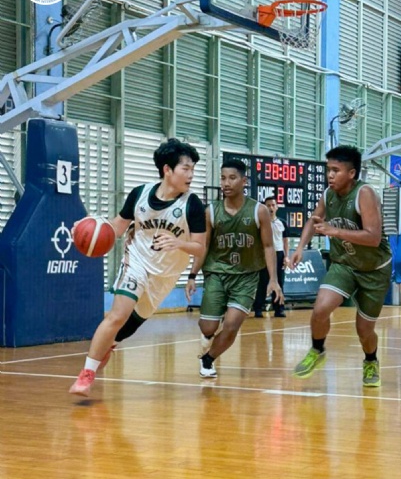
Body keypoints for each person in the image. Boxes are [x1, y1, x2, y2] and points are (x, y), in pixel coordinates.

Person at [69, 139, 206, 397]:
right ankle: (86, 375)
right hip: (136, 263)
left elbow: (200, 247)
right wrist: (88, 227)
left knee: (125, 329)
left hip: (163, 279)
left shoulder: (192, 204)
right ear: (168, 170)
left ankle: (107, 348)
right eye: (185, 169)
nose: (191, 175)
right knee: (117, 315)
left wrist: (178, 242)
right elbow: (117, 228)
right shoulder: (140, 194)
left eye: (193, 169)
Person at [290, 145, 392, 388]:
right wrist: (300, 247)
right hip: (344, 264)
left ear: (352, 173)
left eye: (336, 170)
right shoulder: (328, 194)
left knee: (364, 330)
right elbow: (314, 220)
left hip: (374, 270)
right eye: (328, 170)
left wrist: (335, 231)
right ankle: (317, 350)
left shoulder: (364, 194)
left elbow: (373, 237)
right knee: (320, 308)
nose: (330, 175)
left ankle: (370, 360)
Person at [186, 159, 284, 378]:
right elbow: (203, 246)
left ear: (244, 181)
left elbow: (269, 246)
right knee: (208, 327)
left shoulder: (259, 211)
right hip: (217, 274)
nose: (226, 183)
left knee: (231, 325)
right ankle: (209, 335)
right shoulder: (211, 211)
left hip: (247, 276)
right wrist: (192, 275)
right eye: (222, 178)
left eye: (232, 178)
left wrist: (273, 279)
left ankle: (208, 359)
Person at [252, 195, 289, 318]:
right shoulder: (261, 223)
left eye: (273, 205)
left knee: (279, 282)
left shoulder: (282, 223)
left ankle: (279, 309)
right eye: (268, 205)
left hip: (279, 254)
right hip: (266, 255)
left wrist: (286, 256)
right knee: (263, 282)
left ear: (277, 207)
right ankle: (258, 308)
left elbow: (285, 241)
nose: (271, 208)